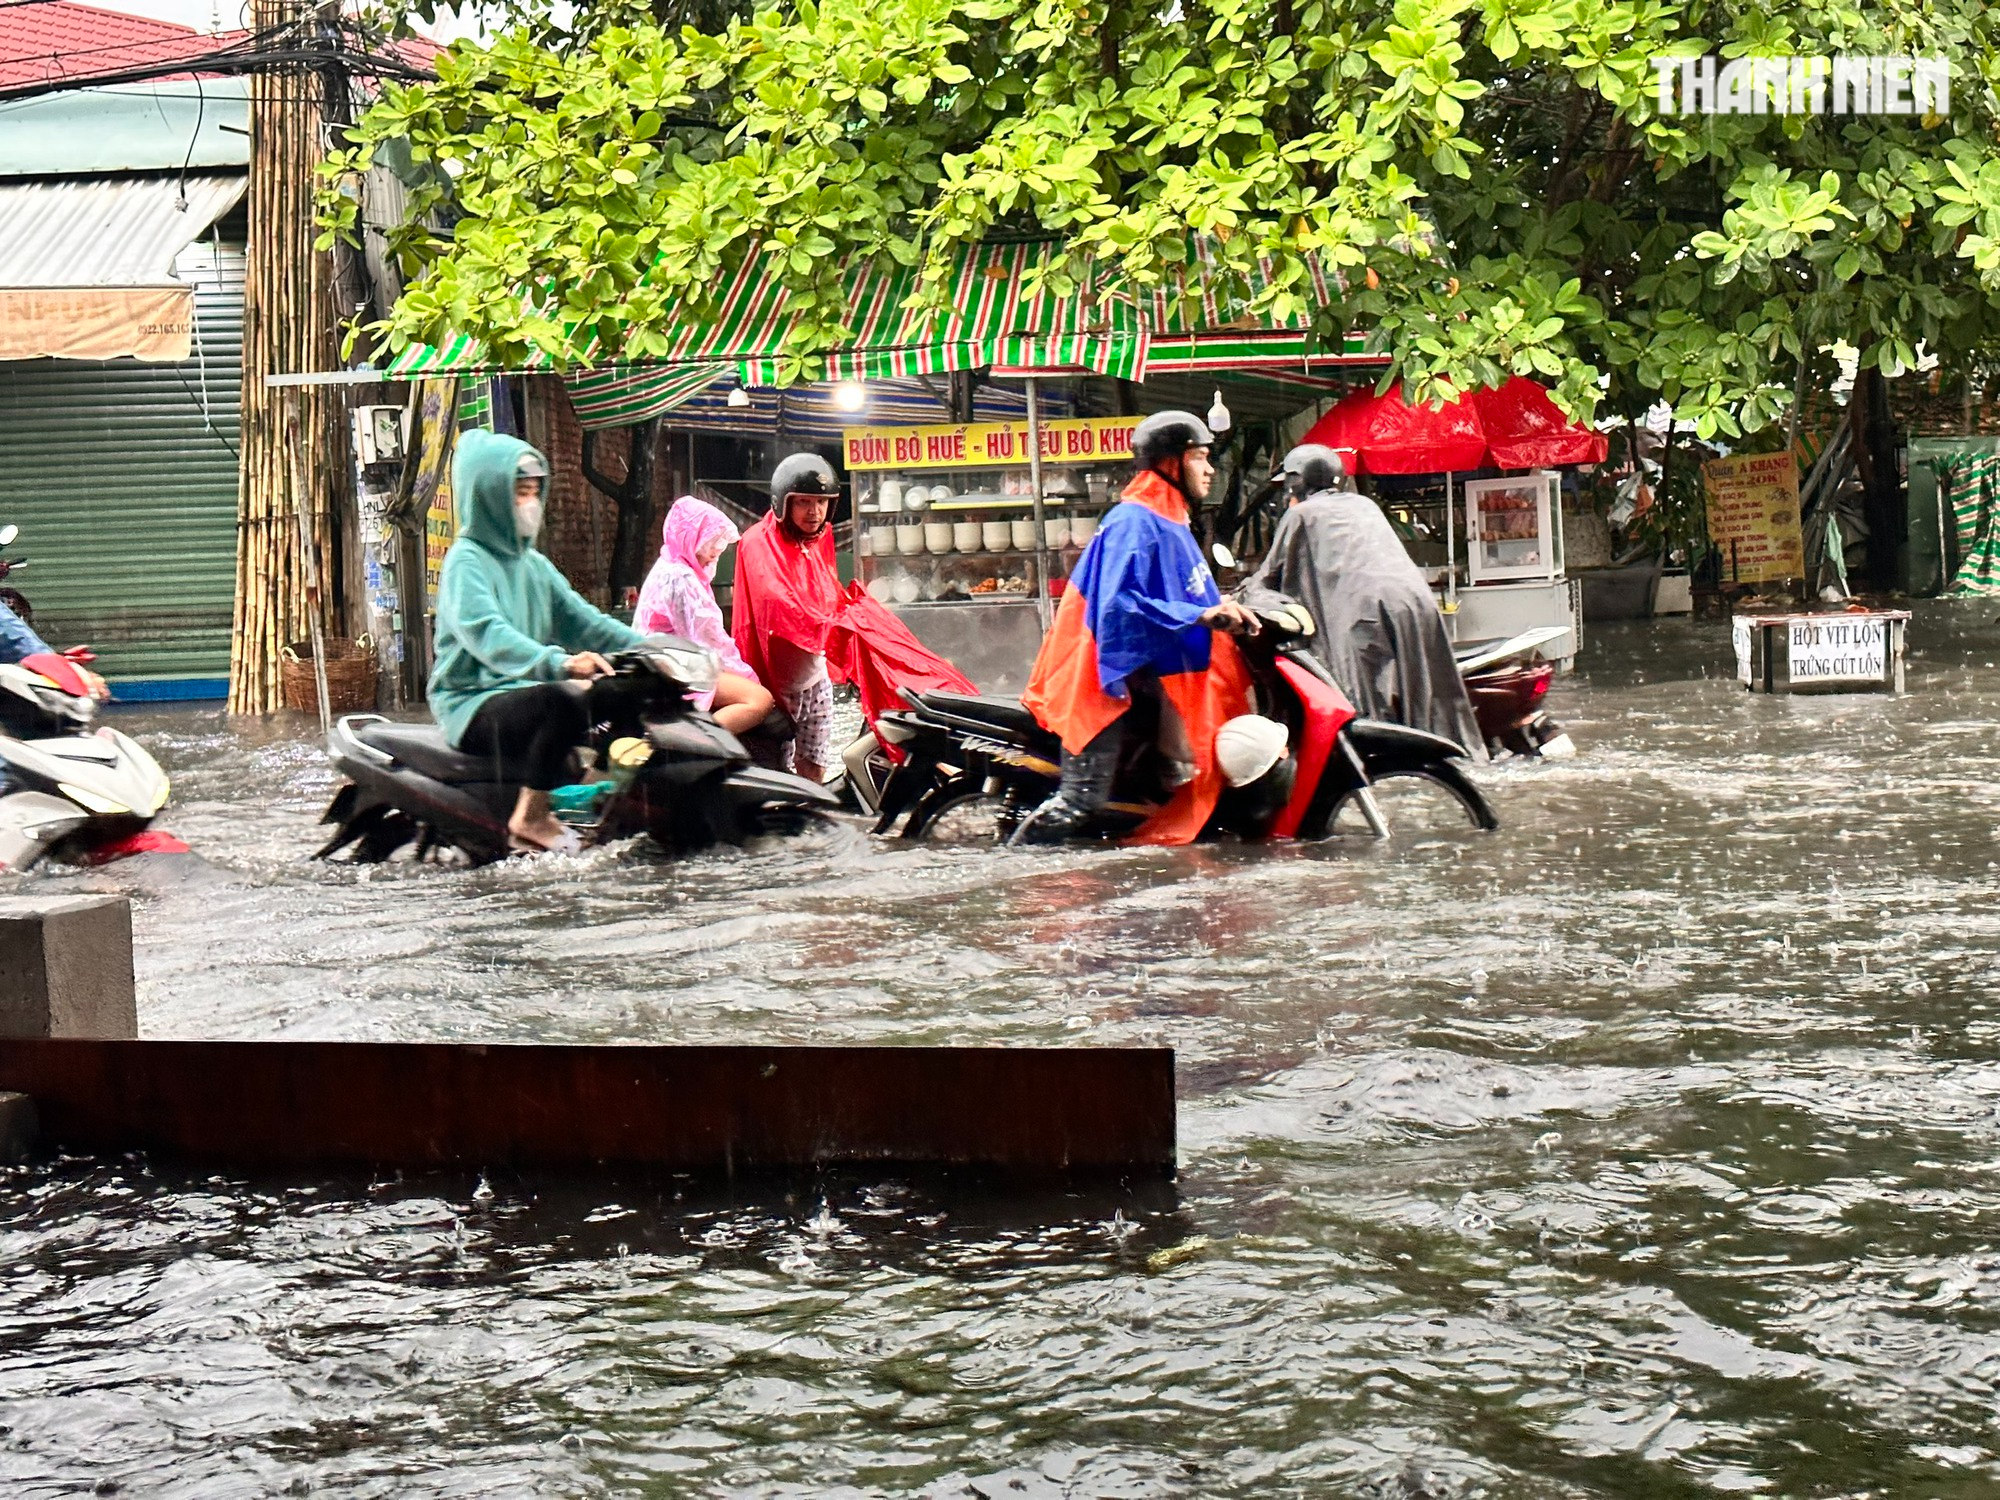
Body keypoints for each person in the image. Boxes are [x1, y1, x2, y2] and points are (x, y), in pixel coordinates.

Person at [1017, 410, 1262, 845]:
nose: (1209, 469)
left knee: (1164, 787)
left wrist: (1219, 606)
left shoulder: (1170, 520)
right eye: (1200, 458)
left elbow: (1179, 593)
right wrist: (1197, 616)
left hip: (1142, 684)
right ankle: (1017, 873)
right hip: (1095, 680)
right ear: (1171, 463)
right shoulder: (1134, 521)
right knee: (1081, 801)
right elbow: (1117, 607)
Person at [429, 430, 647, 854]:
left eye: (533, 492)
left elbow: (587, 623)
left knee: (626, 695)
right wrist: (560, 664)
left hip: (522, 695)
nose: (529, 503)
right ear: (489, 497)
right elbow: (486, 634)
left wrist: (656, 648)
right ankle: (528, 817)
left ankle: (600, 798)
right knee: (565, 699)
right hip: (471, 702)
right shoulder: (465, 561)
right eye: (519, 493)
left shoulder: (535, 566)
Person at [1239, 443, 1483, 756]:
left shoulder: (1302, 514)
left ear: (1296, 482)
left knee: (1367, 702)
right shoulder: (1364, 506)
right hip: (1416, 602)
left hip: (1365, 611)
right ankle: (1450, 755)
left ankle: (1378, 770)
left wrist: (1244, 592)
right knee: (1429, 692)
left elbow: (1270, 575)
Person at [732, 454, 842, 783]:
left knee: (815, 758)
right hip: (776, 683)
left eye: (821, 502)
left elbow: (831, 590)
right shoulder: (756, 542)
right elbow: (775, 602)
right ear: (784, 503)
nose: (814, 512)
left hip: (815, 678)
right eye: (804, 502)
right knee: (775, 770)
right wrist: (829, 621)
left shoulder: (822, 538)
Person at [632, 497, 777, 737]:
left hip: (664, 665)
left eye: (716, 544)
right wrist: (746, 674)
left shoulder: (669, 566)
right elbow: (709, 640)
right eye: (708, 543)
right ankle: (696, 742)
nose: (714, 553)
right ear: (689, 540)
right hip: (675, 671)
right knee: (759, 700)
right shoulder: (681, 578)